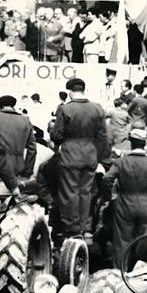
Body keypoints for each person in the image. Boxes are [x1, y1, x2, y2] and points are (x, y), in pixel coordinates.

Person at [49, 79, 108, 237]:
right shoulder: (97, 108)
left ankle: (72, 227)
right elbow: (103, 137)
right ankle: (84, 226)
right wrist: (97, 156)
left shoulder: (65, 109)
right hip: (90, 153)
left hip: (70, 153)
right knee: (86, 192)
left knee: (69, 192)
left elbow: (57, 135)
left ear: (69, 91)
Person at [107, 127, 147, 252]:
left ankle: (121, 264)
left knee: (122, 240)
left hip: (125, 202)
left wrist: (109, 196)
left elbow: (107, 178)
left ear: (131, 143)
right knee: (144, 240)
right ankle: (139, 262)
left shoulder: (121, 162)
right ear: (145, 143)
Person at [0, 95, 36, 178]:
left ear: (0, 106)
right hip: (18, 167)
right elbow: (32, 149)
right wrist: (27, 171)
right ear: (13, 106)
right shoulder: (25, 120)